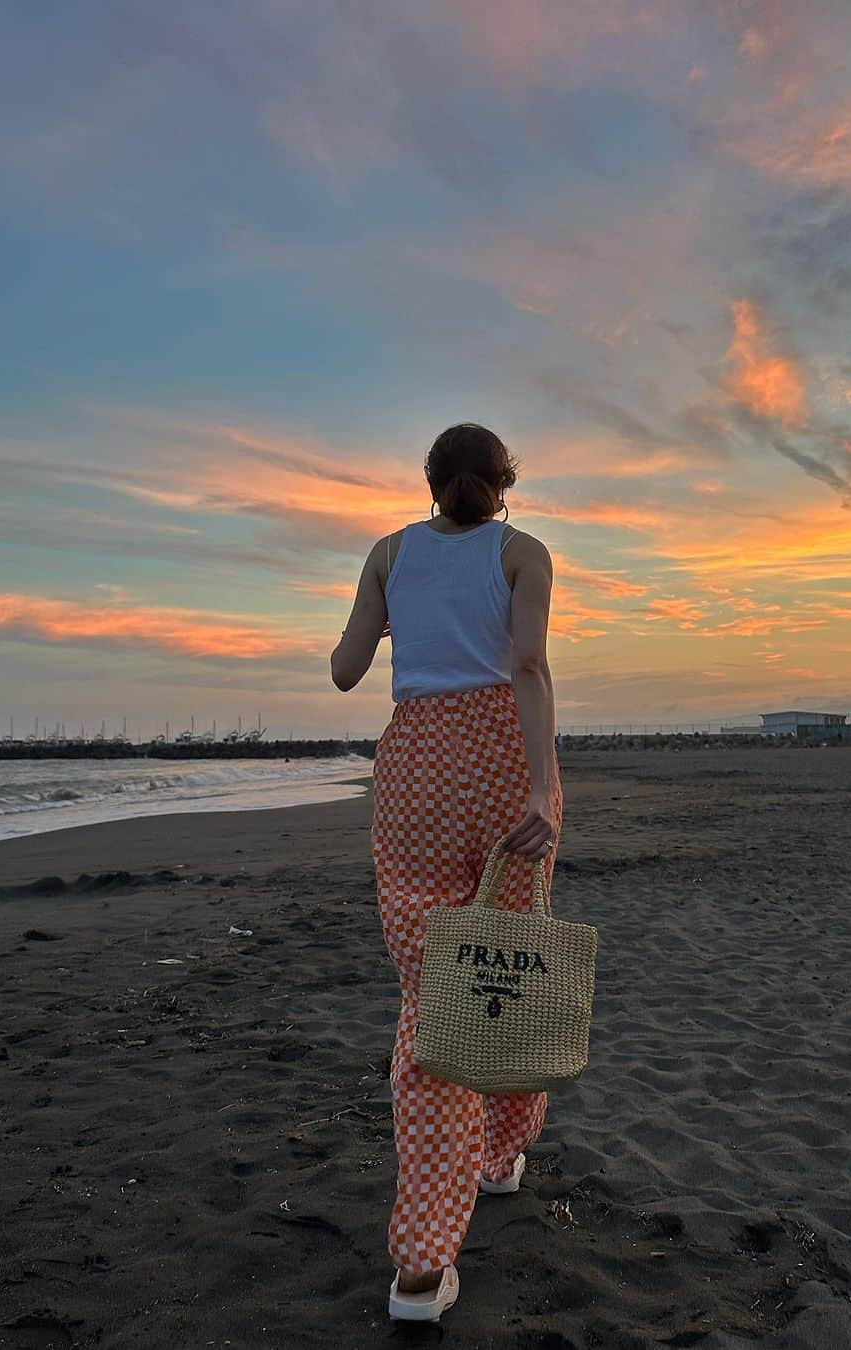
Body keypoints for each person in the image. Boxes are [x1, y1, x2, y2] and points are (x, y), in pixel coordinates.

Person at [329, 422, 563, 1322]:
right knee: (509, 970)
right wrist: (540, 788)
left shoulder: (390, 553)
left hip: (417, 767)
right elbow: (529, 664)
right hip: (506, 757)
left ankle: (425, 1257)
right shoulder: (523, 552)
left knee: (432, 988)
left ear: (430, 484)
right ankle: (493, 1163)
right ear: (506, 482)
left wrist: (390, 612)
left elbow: (348, 671)